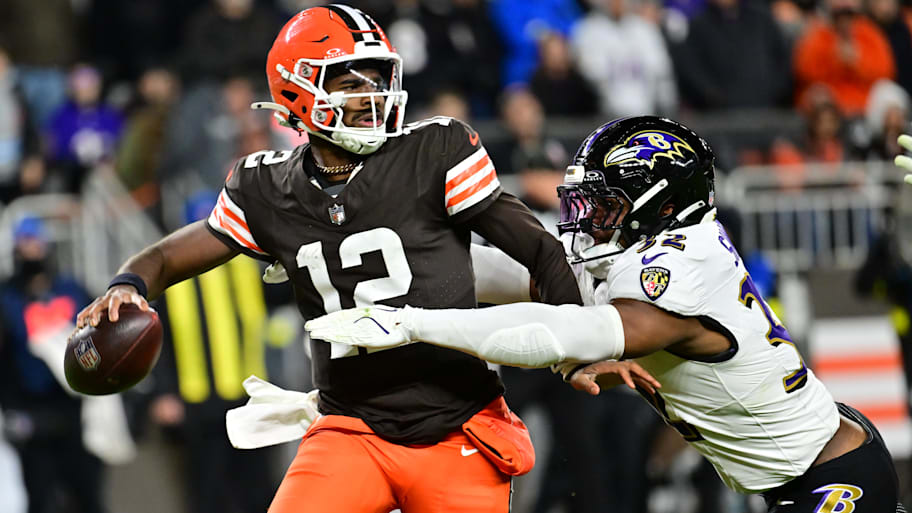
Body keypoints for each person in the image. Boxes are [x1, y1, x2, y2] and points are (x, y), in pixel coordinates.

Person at [75, 5, 582, 513]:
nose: (371, 96)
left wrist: (581, 347)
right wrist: (128, 284)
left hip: (456, 425)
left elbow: (539, 247)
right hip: (351, 427)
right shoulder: (265, 187)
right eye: (349, 82)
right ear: (296, 91)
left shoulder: (435, 150)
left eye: (378, 79)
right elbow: (167, 256)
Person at [307, 116, 905, 512]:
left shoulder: (674, 271)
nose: (585, 218)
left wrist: (413, 324)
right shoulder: (649, 250)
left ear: (660, 205)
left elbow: (574, 329)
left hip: (830, 477)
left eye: (604, 203)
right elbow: (526, 280)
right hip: (808, 460)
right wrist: (400, 258)